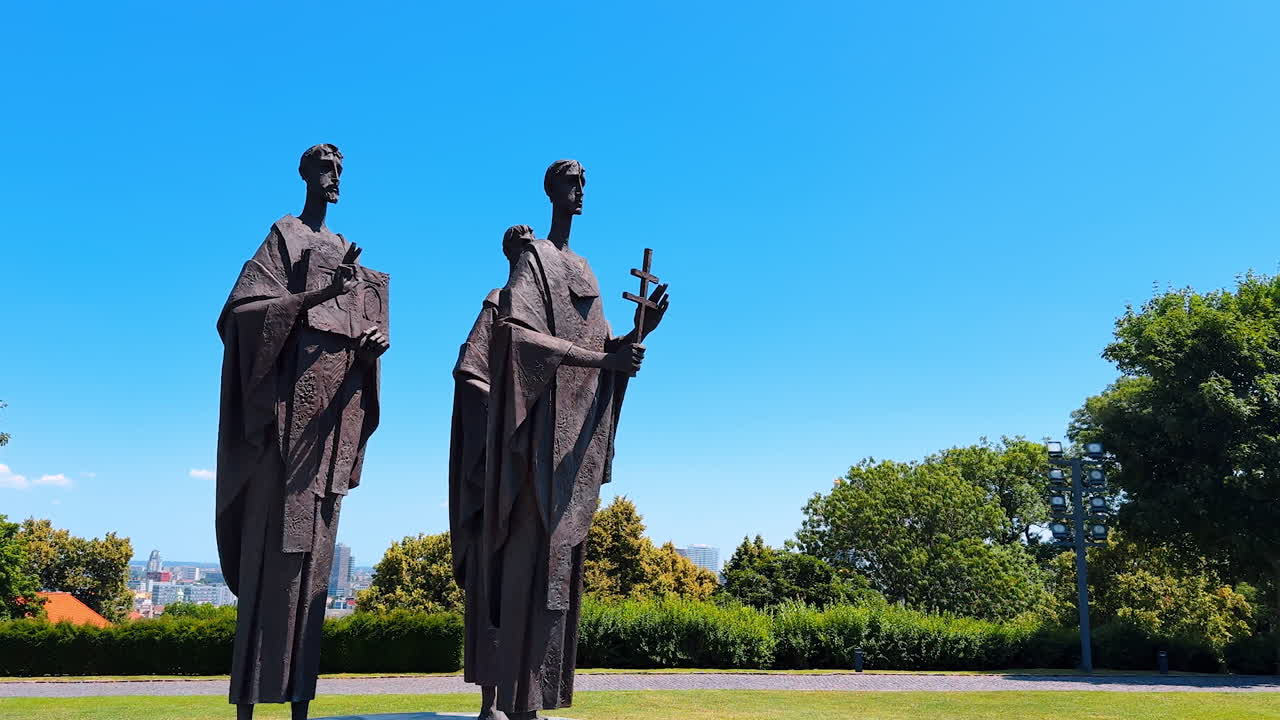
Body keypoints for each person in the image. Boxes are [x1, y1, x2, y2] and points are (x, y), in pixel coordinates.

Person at [480, 160, 669, 718]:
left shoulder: (584, 268)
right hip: (538, 436)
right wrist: (603, 360)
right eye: (571, 181)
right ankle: (516, 700)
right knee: (530, 563)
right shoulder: (534, 259)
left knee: (560, 566)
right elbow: (517, 339)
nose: (580, 190)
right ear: (551, 190)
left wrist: (636, 336)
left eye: (585, 182)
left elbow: (602, 348)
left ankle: (536, 700)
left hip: (575, 443)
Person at [215, 144, 389, 720]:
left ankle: (299, 706)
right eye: (325, 168)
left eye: (340, 170)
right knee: (270, 558)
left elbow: (352, 345)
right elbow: (241, 316)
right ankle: (247, 704)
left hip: (329, 436)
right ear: (306, 174)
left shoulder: (348, 251)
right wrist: (317, 296)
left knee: (314, 569)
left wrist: (368, 354)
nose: (334, 177)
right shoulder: (284, 237)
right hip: (281, 432)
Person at [450, 224, 535, 720]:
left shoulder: (549, 318)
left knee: (529, 587)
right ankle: (490, 701)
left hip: (533, 475)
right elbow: (469, 373)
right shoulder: (498, 304)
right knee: (492, 588)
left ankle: (526, 698)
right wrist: (510, 415)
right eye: (525, 253)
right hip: (496, 473)